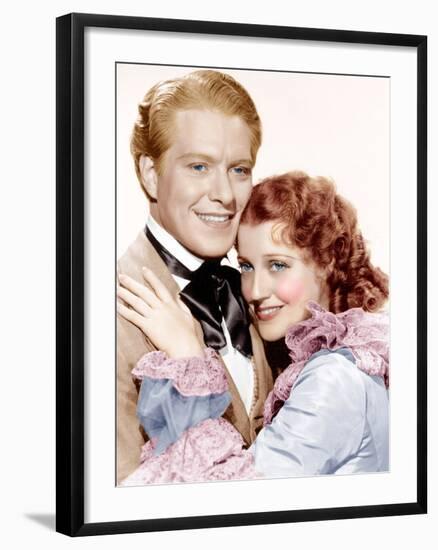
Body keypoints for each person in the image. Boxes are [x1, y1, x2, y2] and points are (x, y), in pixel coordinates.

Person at [118, 171, 389, 484]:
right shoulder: (346, 359)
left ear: (327, 261)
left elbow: (242, 495)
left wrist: (186, 355)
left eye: (278, 265)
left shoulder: (333, 377)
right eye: (246, 265)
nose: (256, 290)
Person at [117, 69, 273, 484]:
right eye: (199, 166)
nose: (224, 194)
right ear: (151, 174)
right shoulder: (102, 313)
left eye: (239, 169)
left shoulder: (259, 288)